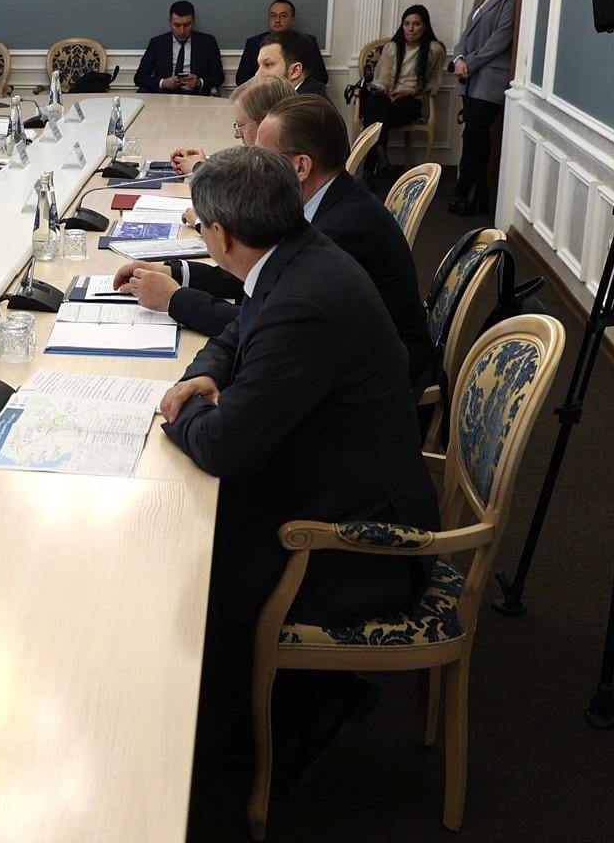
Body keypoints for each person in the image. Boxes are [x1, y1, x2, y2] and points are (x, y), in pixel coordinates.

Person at [158, 147, 437, 773]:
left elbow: (224, 446)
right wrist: (203, 376)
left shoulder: (301, 299)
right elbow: (238, 329)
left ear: (220, 235)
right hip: (339, 471)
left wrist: (180, 412)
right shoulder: (296, 253)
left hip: (362, 540)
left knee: (187, 570)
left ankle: (241, 747)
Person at [123, 95, 434, 390]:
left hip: (374, 385)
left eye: (264, 158)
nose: (252, 166)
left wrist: (175, 300)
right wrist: (176, 272)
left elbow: (268, 322)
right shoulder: (326, 201)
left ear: (300, 167)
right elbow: (257, 282)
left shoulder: (341, 229)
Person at [449, 0, 518, 215]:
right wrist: (458, 57)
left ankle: (463, 190)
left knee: (475, 133)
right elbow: (466, 34)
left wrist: (470, 62)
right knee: (475, 136)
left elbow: (501, 38)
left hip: (490, 77)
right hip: (470, 76)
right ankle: (477, 195)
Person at [171, 74, 295, 175]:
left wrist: (198, 168)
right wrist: (204, 164)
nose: (237, 135)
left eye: (241, 125)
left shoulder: (281, 170)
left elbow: (241, 189)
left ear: (266, 124)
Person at [360, 4, 447, 134]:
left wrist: (410, 91)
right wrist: (385, 91)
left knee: (377, 116)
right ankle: (378, 147)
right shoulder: (391, 47)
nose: (410, 29)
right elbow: (383, 79)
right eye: (406, 24)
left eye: (416, 24)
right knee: (376, 105)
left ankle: (373, 147)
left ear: (425, 27)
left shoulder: (434, 50)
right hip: (387, 96)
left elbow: (433, 83)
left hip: (410, 100)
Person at [135, 0, 224, 96]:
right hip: (164, 96)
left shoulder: (207, 42)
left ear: (193, 21)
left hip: (195, 95)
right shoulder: (157, 43)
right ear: (170, 22)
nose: (182, 31)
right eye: (177, 25)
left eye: (187, 25)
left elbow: (218, 76)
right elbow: (139, 77)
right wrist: (163, 83)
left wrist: (199, 82)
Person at [235, 0, 328, 87]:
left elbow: (321, 77)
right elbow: (241, 78)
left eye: (283, 16)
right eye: (273, 16)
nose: (277, 20)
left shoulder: (307, 41)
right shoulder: (253, 43)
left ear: (292, 20)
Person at [254, 30, 327, 98]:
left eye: (268, 64)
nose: (257, 74)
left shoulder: (307, 105)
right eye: (259, 66)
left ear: (295, 70)